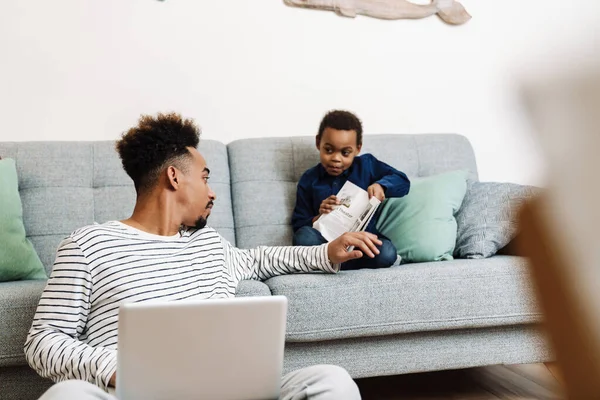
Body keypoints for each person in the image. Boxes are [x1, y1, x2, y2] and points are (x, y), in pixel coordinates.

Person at [26, 112, 381, 399]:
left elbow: (260, 259)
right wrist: (119, 368)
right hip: (135, 393)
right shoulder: (89, 245)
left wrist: (326, 252)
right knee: (68, 395)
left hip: (225, 390)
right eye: (205, 179)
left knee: (332, 381)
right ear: (175, 178)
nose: (212, 194)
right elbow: (43, 339)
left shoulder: (209, 244)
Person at [291, 110, 410, 270]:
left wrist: (382, 185)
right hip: (327, 244)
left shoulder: (366, 166)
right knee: (303, 237)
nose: (336, 158)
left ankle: (336, 265)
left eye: (345, 153)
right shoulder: (309, 179)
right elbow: (299, 223)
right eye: (329, 150)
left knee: (387, 252)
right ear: (318, 143)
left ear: (357, 149)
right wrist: (319, 217)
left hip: (362, 243)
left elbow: (403, 182)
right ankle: (335, 261)